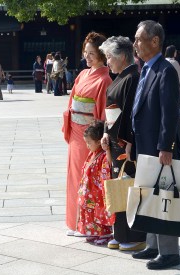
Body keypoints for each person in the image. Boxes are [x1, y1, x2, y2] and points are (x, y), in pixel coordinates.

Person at [130, 20, 180, 270]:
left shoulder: (166, 70)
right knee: (149, 196)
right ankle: (152, 245)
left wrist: (166, 146)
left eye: (140, 39)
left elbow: (169, 113)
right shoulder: (146, 69)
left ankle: (170, 253)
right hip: (145, 145)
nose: (135, 44)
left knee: (165, 198)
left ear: (155, 41)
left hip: (160, 148)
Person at [99, 36, 147, 251]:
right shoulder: (120, 77)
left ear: (123, 56)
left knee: (129, 185)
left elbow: (130, 114)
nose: (107, 61)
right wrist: (105, 133)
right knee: (118, 185)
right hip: (115, 138)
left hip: (126, 141)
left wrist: (128, 141)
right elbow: (110, 112)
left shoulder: (133, 77)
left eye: (109, 57)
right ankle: (120, 232)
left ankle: (136, 235)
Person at [64, 31, 112, 236]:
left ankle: (86, 223)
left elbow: (102, 113)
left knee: (88, 178)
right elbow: (72, 99)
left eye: (92, 53)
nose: (88, 57)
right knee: (74, 176)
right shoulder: (83, 74)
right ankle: (73, 222)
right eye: (86, 53)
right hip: (76, 131)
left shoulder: (105, 79)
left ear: (101, 54)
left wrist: (98, 137)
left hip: (90, 136)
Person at [77, 120, 114, 245]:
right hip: (90, 190)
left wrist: (107, 149)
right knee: (89, 212)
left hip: (97, 190)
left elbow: (107, 167)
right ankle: (93, 231)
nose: (87, 145)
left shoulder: (103, 155)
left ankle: (105, 233)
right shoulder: (93, 153)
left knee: (100, 212)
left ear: (99, 142)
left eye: (89, 143)